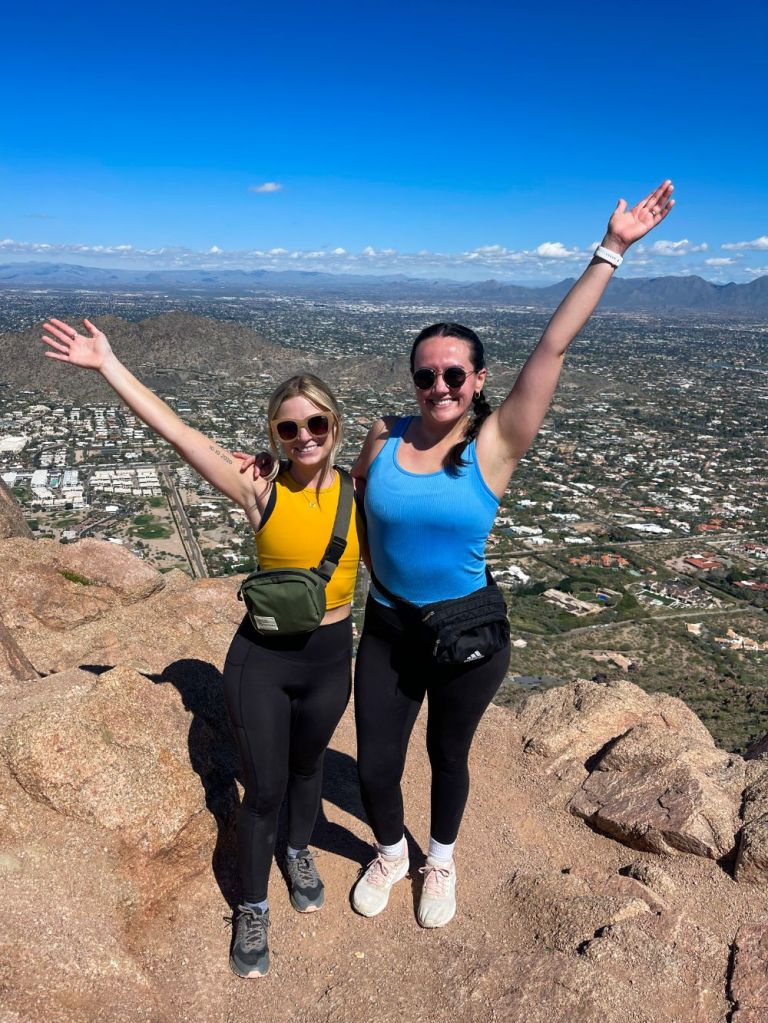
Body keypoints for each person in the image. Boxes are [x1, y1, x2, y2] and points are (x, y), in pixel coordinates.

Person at [347, 180, 675, 928]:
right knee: (374, 763)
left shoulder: (494, 447)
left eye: (454, 374)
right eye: (426, 374)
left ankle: (441, 860)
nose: (439, 385)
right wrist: (372, 569)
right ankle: (391, 851)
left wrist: (612, 249)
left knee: (449, 756)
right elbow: (359, 497)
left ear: (479, 380)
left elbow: (553, 344)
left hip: (466, 632)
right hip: (391, 627)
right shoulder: (384, 435)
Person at [39, 320, 361, 978]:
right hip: (264, 660)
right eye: (289, 428)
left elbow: (425, 432)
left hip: (330, 658)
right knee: (264, 787)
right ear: (274, 435)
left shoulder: (362, 490)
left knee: (308, 771)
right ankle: (251, 905)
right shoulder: (260, 489)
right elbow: (179, 433)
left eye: (316, 425)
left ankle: (298, 849)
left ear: (335, 426)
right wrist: (109, 365)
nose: (304, 438)